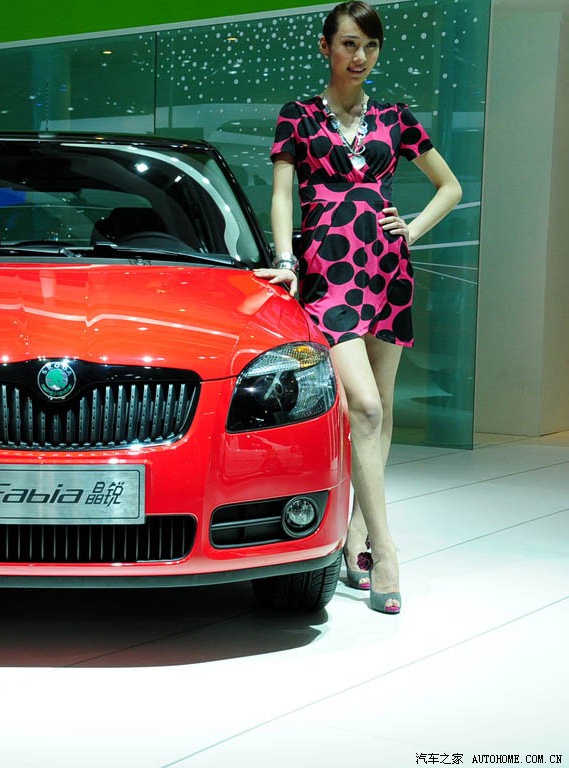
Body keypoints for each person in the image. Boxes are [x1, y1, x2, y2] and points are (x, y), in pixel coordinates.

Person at [255, 1, 461, 614]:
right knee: (363, 407)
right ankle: (386, 551)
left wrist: (411, 230)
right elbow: (283, 196)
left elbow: (449, 186)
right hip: (330, 275)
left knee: (383, 411)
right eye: (349, 44)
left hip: (387, 271)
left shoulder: (396, 118)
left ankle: (356, 537)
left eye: (370, 46)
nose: (360, 56)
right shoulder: (297, 116)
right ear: (326, 46)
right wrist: (287, 260)